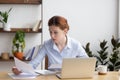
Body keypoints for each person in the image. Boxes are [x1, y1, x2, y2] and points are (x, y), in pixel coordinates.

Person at [12, 15, 89, 75]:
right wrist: (21, 69)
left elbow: (87, 64)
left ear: (65, 31)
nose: (52, 36)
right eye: (50, 32)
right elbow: (34, 63)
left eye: (55, 32)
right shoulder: (47, 44)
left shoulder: (75, 45)